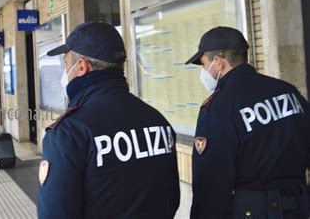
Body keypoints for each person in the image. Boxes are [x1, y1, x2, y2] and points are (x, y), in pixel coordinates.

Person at [37, 21, 180, 218]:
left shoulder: (68, 133)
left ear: (82, 67)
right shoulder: (157, 120)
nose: (64, 72)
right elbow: (172, 199)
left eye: (66, 64)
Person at [186, 26, 310, 218]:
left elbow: (211, 184)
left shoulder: (218, 107)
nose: (204, 71)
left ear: (218, 62)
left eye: (203, 64)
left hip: (255, 211)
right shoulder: (287, 91)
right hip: (300, 206)